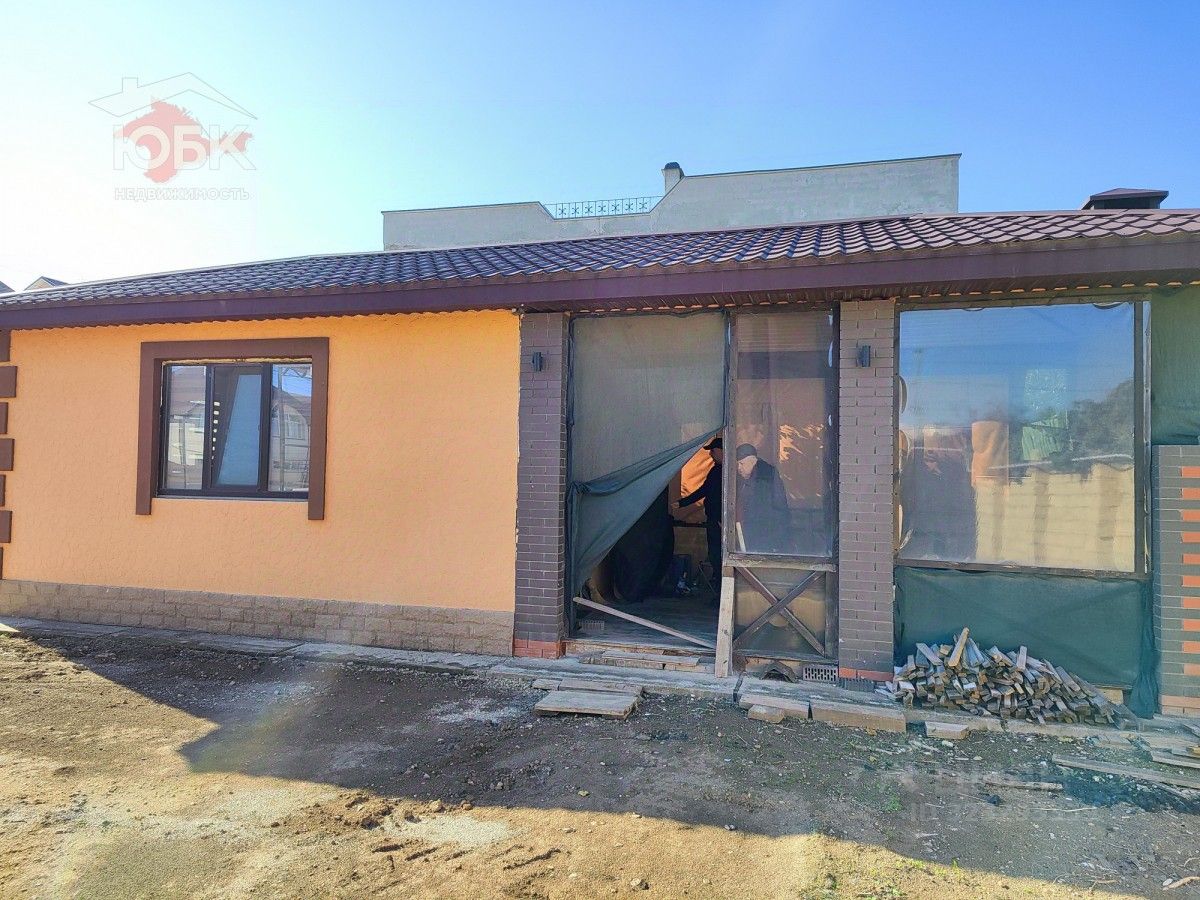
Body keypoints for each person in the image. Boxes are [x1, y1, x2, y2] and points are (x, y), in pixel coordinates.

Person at [677, 438, 723, 583]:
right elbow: (704, 490)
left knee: (718, 553)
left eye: (713, 451)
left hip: (720, 521)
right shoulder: (715, 471)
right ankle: (718, 583)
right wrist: (682, 503)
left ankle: (720, 583)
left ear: (722, 451)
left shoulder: (730, 472)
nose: (710, 455)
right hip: (714, 520)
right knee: (714, 553)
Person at [734, 443, 790, 552]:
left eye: (741, 463)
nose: (738, 468)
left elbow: (774, 508)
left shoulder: (765, 478)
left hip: (764, 535)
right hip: (755, 532)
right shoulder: (751, 477)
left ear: (752, 461)